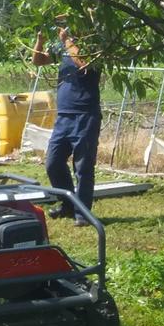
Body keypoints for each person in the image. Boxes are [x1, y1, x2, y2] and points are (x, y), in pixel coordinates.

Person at [32, 22, 101, 227]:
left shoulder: (93, 47)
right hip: (64, 116)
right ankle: (68, 204)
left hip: (85, 115)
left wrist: (67, 41)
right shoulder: (64, 48)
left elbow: (83, 63)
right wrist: (40, 41)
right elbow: (38, 60)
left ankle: (83, 214)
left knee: (83, 167)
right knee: (53, 163)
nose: (66, 28)